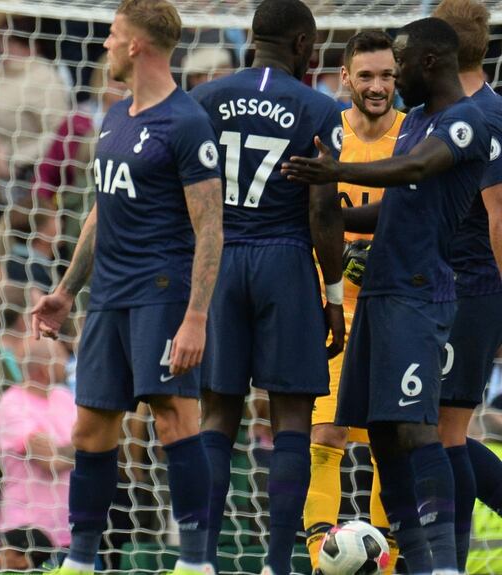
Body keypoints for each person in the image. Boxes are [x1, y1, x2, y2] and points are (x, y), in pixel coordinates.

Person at [282, 17, 490, 574]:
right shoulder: (419, 118)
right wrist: (337, 217)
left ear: (428, 64)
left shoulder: (470, 120)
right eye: (373, 73)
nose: (388, 83)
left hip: (420, 293)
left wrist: (338, 170)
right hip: (377, 295)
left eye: (396, 70)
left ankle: (441, 563)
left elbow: (421, 169)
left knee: (418, 429)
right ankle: (411, 560)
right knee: (377, 429)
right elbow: (392, 207)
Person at [30, 1, 225, 573]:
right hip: (107, 299)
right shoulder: (115, 117)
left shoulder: (187, 123)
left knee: (174, 419)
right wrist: (67, 291)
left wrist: (197, 316)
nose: (106, 46)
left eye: (114, 36)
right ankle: (81, 562)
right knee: (92, 425)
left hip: (162, 295)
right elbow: (100, 211)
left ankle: (194, 563)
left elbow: (210, 225)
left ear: (137, 45)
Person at [190, 1, 347, 573]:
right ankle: (277, 563)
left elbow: (188, 194)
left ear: (254, 38)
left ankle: (199, 560)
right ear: (304, 44)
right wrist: (332, 299)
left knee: (216, 415)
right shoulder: (319, 107)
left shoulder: (204, 100)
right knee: (291, 420)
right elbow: (324, 214)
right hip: (284, 261)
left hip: (221, 259)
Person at [300, 30, 404, 572]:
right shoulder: (326, 136)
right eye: (365, 75)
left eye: (386, 75)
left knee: (395, 436)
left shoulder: (414, 138)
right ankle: (324, 556)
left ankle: (385, 560)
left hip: (396, 310)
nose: (377, 85)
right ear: (345, 78)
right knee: (326, 431)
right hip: (330, 310)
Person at [431, 0, 502, 568]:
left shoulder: (485, 117)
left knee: (441, 434)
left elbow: (499, 216)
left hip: (471, 289)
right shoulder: (454, 110)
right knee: (420, 431)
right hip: (439, 288)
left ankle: (448, 561)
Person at [0, 335, 77, 547]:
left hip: (71, 530)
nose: (67, 362)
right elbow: (51, 462)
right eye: (60, 356)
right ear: (43, 366)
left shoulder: (66, 397)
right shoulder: (12, 405)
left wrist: (66, 450)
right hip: (26, 532)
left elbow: (95, 444)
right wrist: (83, 448)